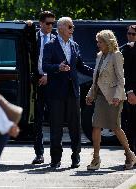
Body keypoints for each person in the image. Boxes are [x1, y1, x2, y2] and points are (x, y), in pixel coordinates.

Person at [42, 17, 94, 168]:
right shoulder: (50, 45)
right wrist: (58, 67)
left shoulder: (74, 45)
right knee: (56, 126)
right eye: (70, 27)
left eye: (72, 27)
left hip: (73, 91)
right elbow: (45, 66)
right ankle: (55, 159)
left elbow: (81, 66)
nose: (73, 29)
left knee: (74, 126)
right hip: (56, 92)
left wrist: (97, 72)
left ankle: (75, 156)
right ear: (61, 28)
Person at [86, 30, 136, 170]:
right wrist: (90, 94)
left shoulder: (116, 55)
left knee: (115, 127)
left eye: (100, 42)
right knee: (96, 126)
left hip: (114, 98)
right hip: (101, 97)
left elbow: (121, 79)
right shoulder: (99, 56)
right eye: (98, 41)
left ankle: (129, 153)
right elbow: (96, 79)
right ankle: (96, 159)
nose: (98, 44)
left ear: (108, 42)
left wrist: (117, 96)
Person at [32, 10, 56, 165]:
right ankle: (39, 154)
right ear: (41, 23)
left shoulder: (56, 39)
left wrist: (48, 75)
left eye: (53, 23)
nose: (50, 26)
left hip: (52, 82)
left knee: (55, 119)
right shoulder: (33, 36)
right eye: (48, 23)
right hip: (36, 82)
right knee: (38, 120)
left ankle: (55, 155)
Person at [121, 25, 136, 154]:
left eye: (133, 34)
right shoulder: (127, 49)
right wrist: (130, 91)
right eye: (129, 33)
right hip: (133, 93)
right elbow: (126, 73)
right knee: (131, 124)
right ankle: (131, 154)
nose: (130, 36)